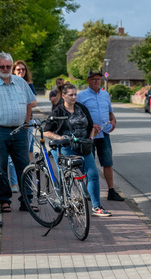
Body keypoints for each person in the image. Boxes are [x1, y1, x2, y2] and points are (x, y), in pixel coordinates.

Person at [0, 52, 35, 213]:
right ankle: (4, 201)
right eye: (1, 66)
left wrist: (25, 123)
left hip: (19, 131)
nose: (5, 69)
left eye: (8, 66)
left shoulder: (20, 82)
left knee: (24, 165)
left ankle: (27, 200)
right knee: (0, 167)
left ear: (11, 66)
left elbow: (29, 103)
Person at [43, 83, 110, 217]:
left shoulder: (82, 108)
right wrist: (60, 138)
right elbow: (46, 131)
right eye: (71, 95)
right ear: (63, 96)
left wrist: (90, 138)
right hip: (65, 148)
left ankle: (96, 207)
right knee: (67, 176)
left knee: (93, 175)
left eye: (75, 94)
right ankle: (66, 204)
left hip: (83, 146)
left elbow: (91, 126)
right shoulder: (58, 111)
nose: (74, 97)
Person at [78, 70, 125, 202]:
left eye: (98, 79)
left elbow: (110, 112)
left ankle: (111, 191)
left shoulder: (105, 95)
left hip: (104, 133)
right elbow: (78, 115)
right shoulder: (81, 96)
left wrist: (114, 120)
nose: (96, 81)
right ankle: (87, 191)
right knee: (88, 163)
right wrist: (90, 126)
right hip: (89, 135)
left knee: (108, 162)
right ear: (87, 81)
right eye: (93, 79)